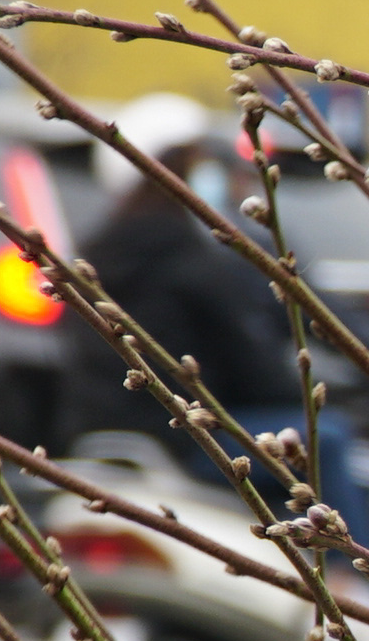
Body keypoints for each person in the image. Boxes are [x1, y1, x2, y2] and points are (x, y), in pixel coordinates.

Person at [62, 93, 303, 457]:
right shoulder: (189, 261)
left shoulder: (100, 256)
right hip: (184, 434)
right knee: (327, 438)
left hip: (108, 424)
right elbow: (252, 367)